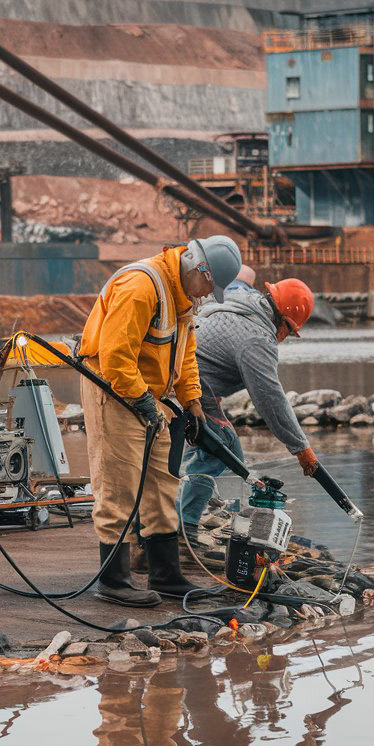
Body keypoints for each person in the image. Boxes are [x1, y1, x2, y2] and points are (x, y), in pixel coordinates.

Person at [79, 235, 242, 607]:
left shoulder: (181, 297)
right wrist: (142, 401)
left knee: (162, 482)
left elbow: (185, 355)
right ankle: (114, 579)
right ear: (199, 269)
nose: (205, 296)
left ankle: (165, 573)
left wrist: (193, 403)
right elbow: (116, 355)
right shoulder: (141, 287)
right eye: (208, 287)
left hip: (150, 395)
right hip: (112, 388)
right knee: (119, 482)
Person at [177, 277, 319, 536]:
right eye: (289, 331)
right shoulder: (258, 339)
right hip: (189, 381)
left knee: (229, 452)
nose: (284, 338)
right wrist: (302, 449)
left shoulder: (244, 301)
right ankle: (181, 529)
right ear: (284, 321)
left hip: (183, 373)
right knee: (218, 447)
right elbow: (270, 399)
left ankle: (179, 499)